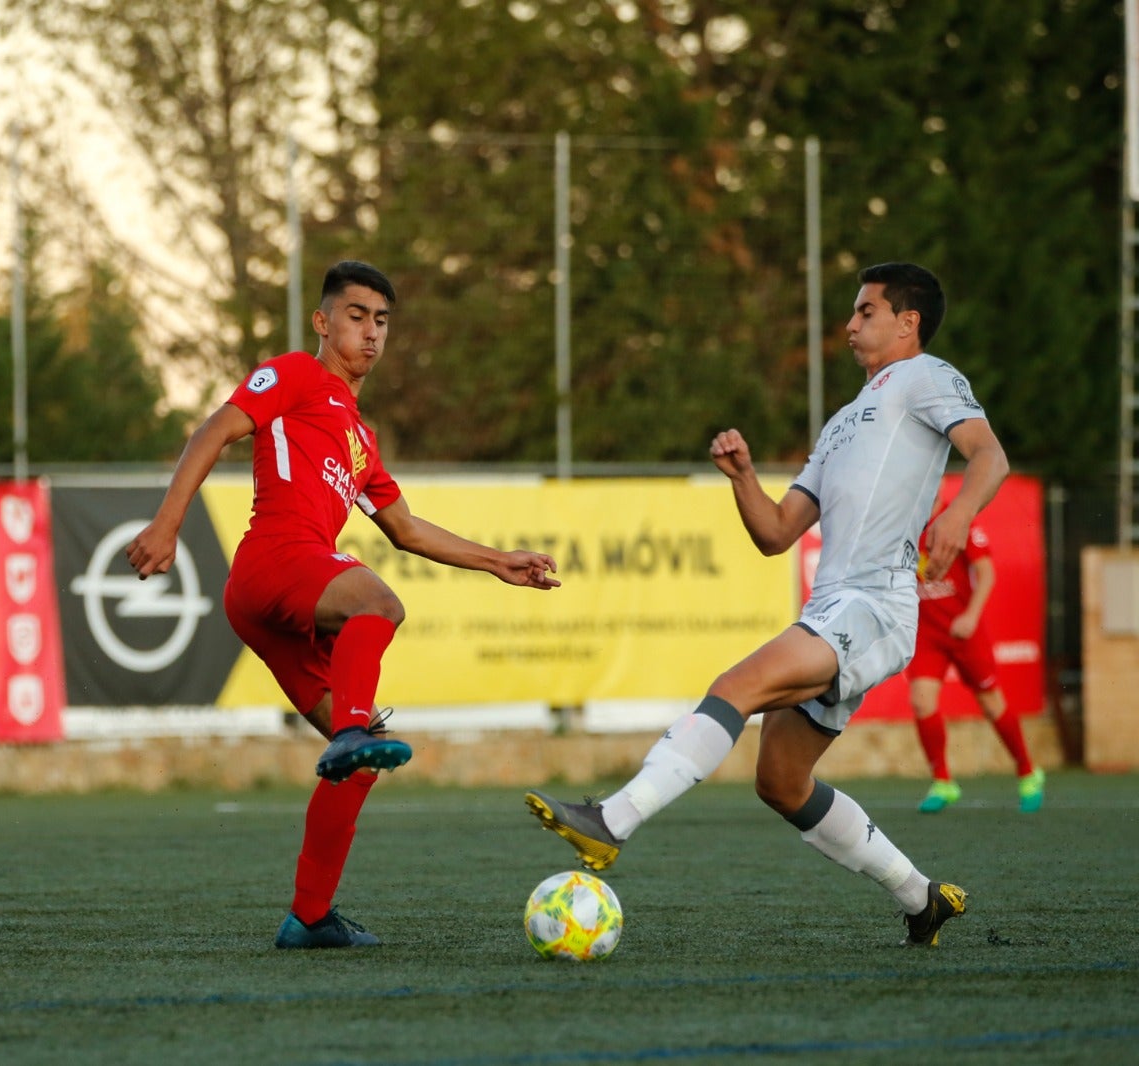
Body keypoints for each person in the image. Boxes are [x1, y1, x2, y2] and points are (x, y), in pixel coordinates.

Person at [526, 262, 1009, 947]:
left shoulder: (928, 376)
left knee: (736, 686)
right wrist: (745, 478)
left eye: (865, 311)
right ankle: (921, 898)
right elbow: (777, 532)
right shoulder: (843, 422)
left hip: (875, 605)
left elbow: (989, 455)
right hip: (835, 607)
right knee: (781, 782)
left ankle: (613, 820)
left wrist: (959, 514)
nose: (849, 324)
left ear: (908, 322)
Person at [125, 260, 560, 949]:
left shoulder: (361, 439)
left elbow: (408, 529)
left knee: (358, 762)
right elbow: (213, 429)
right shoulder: (295, 374)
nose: (371, 332)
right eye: (356, 316)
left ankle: (310, 917)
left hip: (272, 599)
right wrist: (167, 522)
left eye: (382, 321)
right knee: (378, 603)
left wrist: (498, 562)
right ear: (324, 323)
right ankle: (354, 731)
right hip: (274, 561)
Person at [908, 496, 1044, 813]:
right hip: (927, 633)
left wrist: (971, 615)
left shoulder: (958, 521)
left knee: (990, 701)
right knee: (921, 700)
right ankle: (943, 782)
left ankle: (1028, 772)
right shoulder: (904, 523)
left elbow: (987, 572)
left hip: (963, 631)